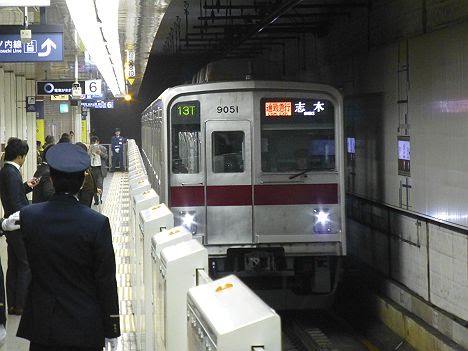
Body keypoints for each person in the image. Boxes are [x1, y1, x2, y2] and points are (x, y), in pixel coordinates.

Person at [2, 142, 120, 351]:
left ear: (52, 179)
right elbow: (106, 280)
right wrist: (112, 327)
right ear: (83, 181)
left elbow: (8, 224)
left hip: (43, 327)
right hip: (85, 327)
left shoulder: (30, 217)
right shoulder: (97, 223)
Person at [0, 138, 39, 318]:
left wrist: (26, 187)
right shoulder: (11, 172)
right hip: (17, 226)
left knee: (14, 265)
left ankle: (13, 305)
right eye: (24, 157)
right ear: (19, 156)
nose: (24, 160)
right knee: (25, 265)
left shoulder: (6, 171)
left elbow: (13, 194)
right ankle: (21, 305)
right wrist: (32, 214)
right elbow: (16, 204)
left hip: (11, 225)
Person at [76, 142, 99, 207]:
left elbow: (90, 174)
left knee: (87, 207)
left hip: (89, 190)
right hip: (84, 191)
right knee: (85, 208)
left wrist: (95, 188)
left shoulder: (83, 160)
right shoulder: (78, 161)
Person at [89, 136, 106, 205]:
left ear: (98, 142)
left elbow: (106, 157)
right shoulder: (89, 149)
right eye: (92, 143)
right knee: (93, 185)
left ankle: (100, 199)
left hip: (100, 169)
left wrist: (100, 153)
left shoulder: (103, 148)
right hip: (92, 169)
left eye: (95, 142)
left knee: (100, 184)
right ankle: (96, 200)